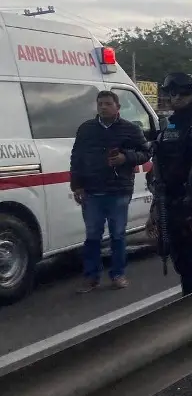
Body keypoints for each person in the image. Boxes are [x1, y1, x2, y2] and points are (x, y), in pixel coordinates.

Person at [70, 90, 151, 292]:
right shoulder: (86, 129)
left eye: (107, 103)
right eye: (100, 104)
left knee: (117, 235)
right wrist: (77, 185)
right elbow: (76, 158)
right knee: (92, 237)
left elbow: (146, 153)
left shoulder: (130, 129)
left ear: (117, 107)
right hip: (91, 191)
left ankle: (118, 275)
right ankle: (91, 277)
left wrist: (126, 158)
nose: (103, 107)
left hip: (118, 190)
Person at [149, 72, 192, 295]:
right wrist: (156, 206)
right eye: (172, 93)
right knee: (181, 261)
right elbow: (160, 169)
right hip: (169, 203)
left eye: (184, 93)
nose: (177, 97)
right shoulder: (168, 128)